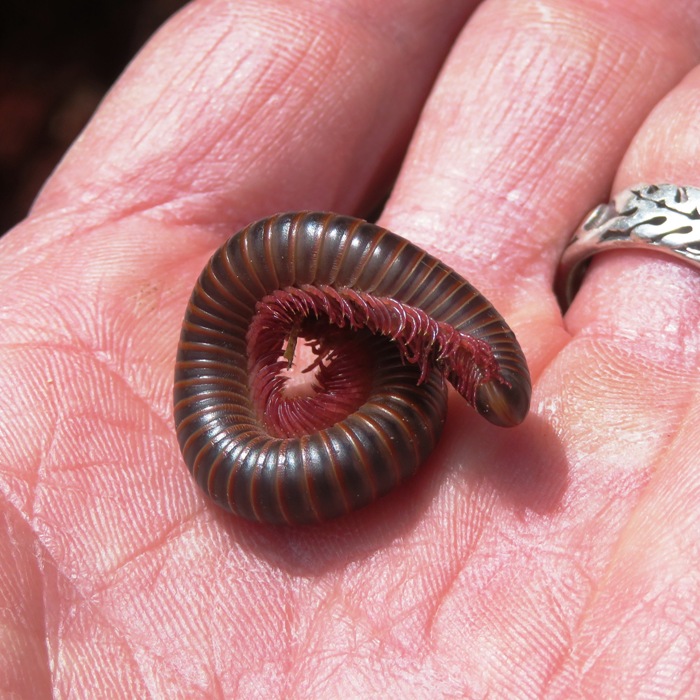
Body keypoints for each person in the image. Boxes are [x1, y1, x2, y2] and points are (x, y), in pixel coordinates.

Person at [1, 0, 698, 696]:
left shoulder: (415, 366)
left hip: (331, 382)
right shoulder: (287, 335)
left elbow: (469, 381)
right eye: (484, 382)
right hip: (270, 413)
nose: (487, 396)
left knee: (399, 372)